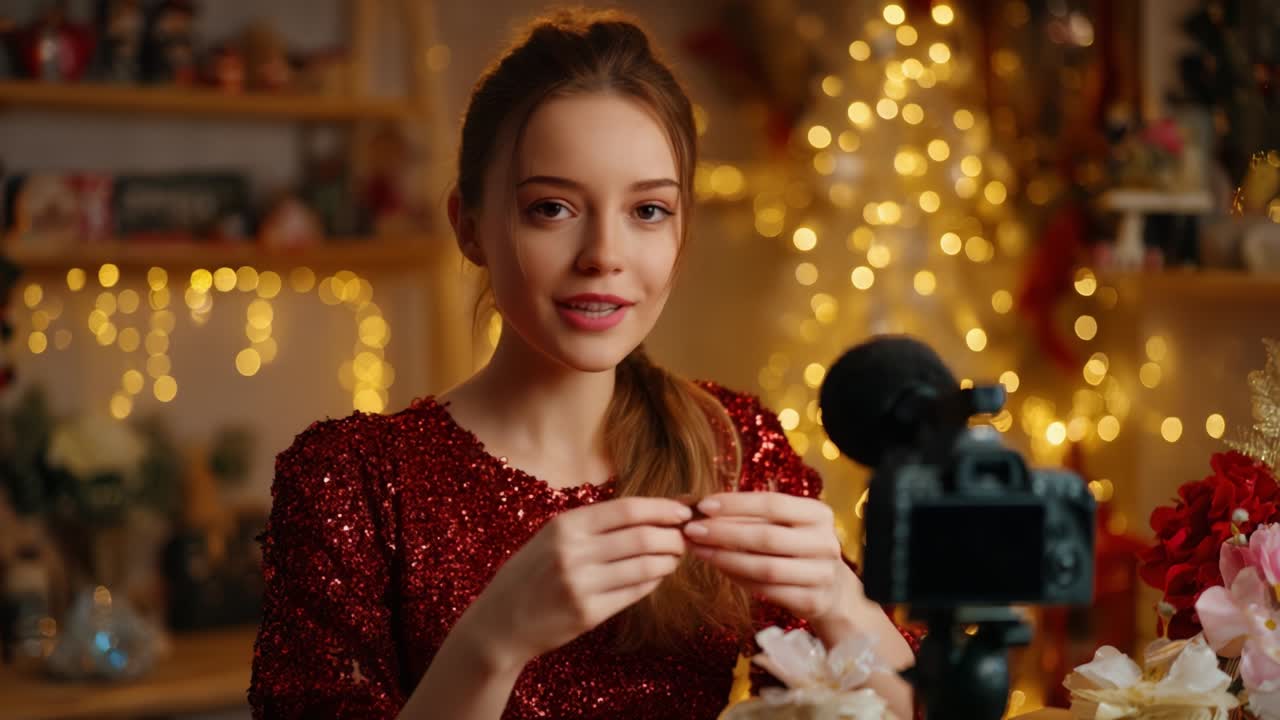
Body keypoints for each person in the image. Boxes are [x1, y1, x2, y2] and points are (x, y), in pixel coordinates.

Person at [248, 8, 916, 720]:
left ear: (682, 232)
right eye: (553, 208)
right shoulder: (352, 480)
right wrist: (493, 641)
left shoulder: (732, 442)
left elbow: (894, 707)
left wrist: (842, 603)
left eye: (648, 211)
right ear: (469, 226)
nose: (605, 253)